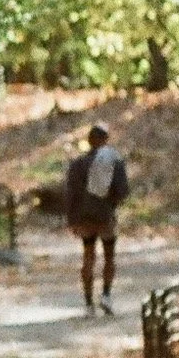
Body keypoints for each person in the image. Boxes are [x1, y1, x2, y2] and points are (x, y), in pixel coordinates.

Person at [64, 123, 130, 313]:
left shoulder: (78, 164)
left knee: (88, 257)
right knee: (109, 256)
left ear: (89, 141)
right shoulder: (115, 162)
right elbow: (123, 191)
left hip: (84, 218)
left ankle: (88, 303)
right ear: (105, 140)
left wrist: (72, 220)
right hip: (105, 216)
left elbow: (71, 194)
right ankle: (106, 295)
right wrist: (112, 204)